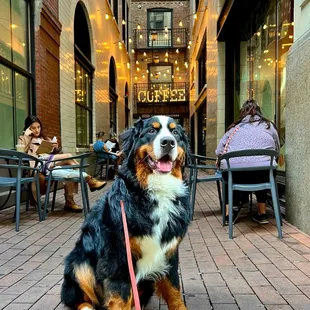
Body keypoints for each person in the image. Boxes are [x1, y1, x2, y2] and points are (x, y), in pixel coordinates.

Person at [19, 115, 107, 212]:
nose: (37, 130)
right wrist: (26, 136)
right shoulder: (23, 138)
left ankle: (70, 201)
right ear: (28, 128)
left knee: (69, 165)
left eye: (38, 127)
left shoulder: (46, 139)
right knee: (68, 156)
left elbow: (56, 154)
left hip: (50, 163)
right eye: (33, 128)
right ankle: (87, 179)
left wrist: (56, 148)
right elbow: (21, 154)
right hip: (38, 165)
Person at [216, 99, 280, 225]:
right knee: (262, 168)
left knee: (229, 173)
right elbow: (277, 149)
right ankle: (262, 213)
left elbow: (219, 151)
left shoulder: (233, 129)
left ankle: (229, 214)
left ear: (242, 113)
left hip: (236, 176)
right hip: (263, 176)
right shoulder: (269, 126)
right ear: (259, 112)